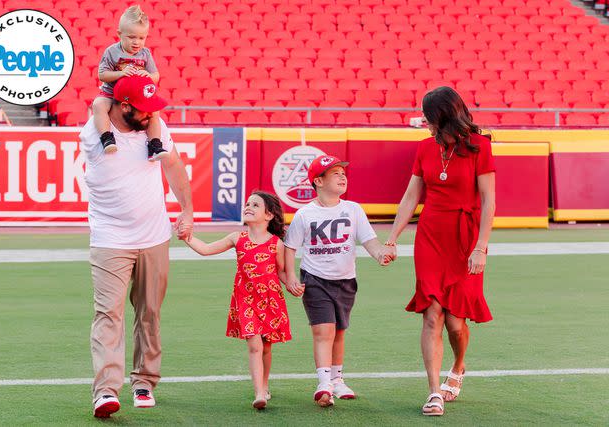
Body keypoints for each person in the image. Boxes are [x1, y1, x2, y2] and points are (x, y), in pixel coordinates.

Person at [80, 74, 194, 418]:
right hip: (110, 239)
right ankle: (105, 391)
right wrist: (106, 100)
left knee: (150, 313)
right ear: (123, 106)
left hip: (154, 237)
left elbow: (173, 166)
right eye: (143, 110)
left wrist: (187, 210)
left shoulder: (154, 130)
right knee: (108, 314)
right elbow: (99, 104)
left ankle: (144, 381)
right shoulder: (95, 134)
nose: (151, 115)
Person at [383, 86, 496, 416]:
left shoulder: (480, 148)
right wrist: (392, 239)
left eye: (430, 117)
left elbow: (489, 201)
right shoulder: (424, 149)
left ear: (444, 116)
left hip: (465, 239)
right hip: (431, 236)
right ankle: (433, 392)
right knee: (432, 313)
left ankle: (459, 365)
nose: (426, 123)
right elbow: (410, 197)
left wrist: (481, 247)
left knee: (455, 323)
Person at [284, 155, 390, 407]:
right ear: (318, 181)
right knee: (324, 330)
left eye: (343, 172)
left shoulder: (353, 209)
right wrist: (289, 276)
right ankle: (324, 384)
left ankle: (338, 379)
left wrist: (380, 253)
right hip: (315, 279)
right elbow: (289, 247)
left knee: (339, 331)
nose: (342, 176)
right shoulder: (305, 214)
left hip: (345, 281)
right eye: (335, 173)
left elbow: (369, 240)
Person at [185, 191, 291, 410]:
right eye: (247, 204)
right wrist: (187, 237)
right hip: (246, 300)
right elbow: (206, 250)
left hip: (270, 300)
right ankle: (259, 393)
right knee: (254, 346)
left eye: (255, 205)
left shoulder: (276, 244)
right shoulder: (237, 238)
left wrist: (292, 284)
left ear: (269, 215)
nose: (248, 207)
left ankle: (264, 384)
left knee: (267, 347)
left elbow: (280, 272)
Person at [93, 5, 167, 161]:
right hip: (112, 94)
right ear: (120, 34)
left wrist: (147, 75)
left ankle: (155, 144)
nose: (137, 42)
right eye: (132, 37)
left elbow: (156, 76)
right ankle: (106, 137)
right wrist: (120, 73)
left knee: (154, 112)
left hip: (135, 98)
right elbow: (102, 75)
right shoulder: (112, 51)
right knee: (98, 105)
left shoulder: (145, 53)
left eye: (142, 38)